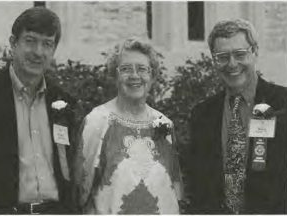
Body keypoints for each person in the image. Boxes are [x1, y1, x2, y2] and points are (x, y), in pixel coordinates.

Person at [187, 18, 287, 214]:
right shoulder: (202, 114)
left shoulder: (283, 103)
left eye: (239, 54)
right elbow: (198, 184)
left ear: (255, 51)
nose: (232, 64)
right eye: (222, 56)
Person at [73, 38, 182, 214]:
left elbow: (172, 193)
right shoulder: (96, 122)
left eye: (142, 69)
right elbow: (80, 194)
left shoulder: (164, 125)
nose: (134, 76)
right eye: (125, 69)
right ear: (114, 76)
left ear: (152, 76)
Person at [0, 7, 77, 214]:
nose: (38, 52)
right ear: (13, 43)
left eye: (47, 44)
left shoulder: (64, 102)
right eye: (30, 40)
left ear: (53, 50)